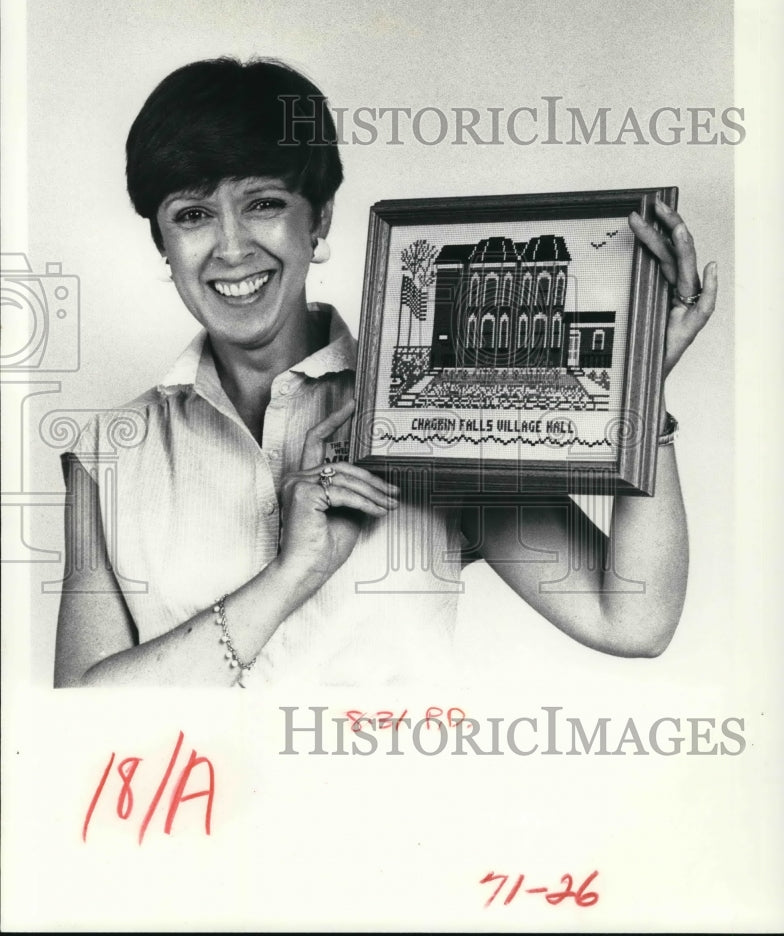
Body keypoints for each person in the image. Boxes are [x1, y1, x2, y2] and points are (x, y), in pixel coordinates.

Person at [53, 57, 717, 688]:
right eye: (192, 215)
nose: (230, 248)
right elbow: (81, 721)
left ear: (319, 221)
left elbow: (631, 619)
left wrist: (641, 392)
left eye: (263, 204)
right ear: (162, 243)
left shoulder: (430, 417)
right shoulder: (110, 455)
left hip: (392, 808)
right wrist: (294, 574)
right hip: (198, 805)